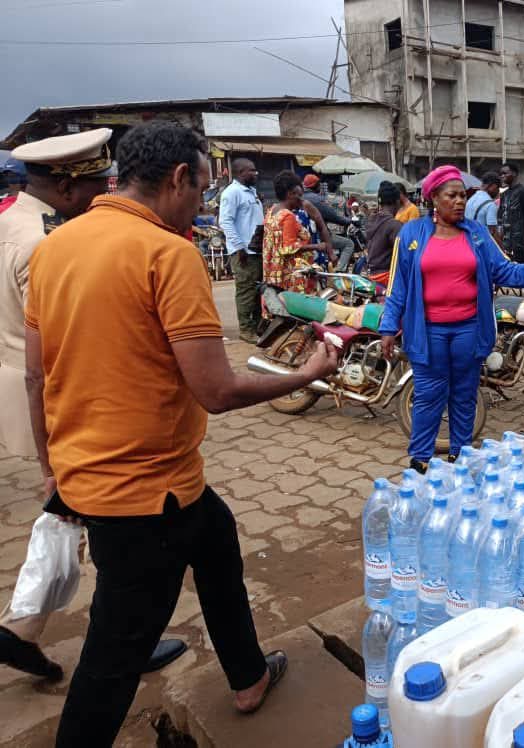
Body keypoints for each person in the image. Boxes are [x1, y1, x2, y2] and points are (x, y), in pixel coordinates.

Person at [24, 122, 340, 746]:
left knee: (217, 543)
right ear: (177, 179)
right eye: (199, 189)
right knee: (114, 654)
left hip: (113, 476)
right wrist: (305, 375)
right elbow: (216, 391)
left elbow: (36, 376)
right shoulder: (168, 254)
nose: (201, 205)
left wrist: (51, 468)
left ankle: (248, 677)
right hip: (146, 496)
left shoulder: (56, 247)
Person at [0, 128, 187, 682]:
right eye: (94, 188)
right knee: (109, 526)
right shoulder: (48, 243)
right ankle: (121, 643)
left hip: (29, 384)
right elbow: (71, 340)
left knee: (71, 516)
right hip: (66, 400)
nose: (102, 199)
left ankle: (24, 625)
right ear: (65, 187)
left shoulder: (9, 221)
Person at [379, 165, 524, 471]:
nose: (460, 201)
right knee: (427, 396)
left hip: (469, 329)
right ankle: (421, 460)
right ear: (434, 198)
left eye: (463, 195)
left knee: (464, 396)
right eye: (452, 196)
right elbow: (398, 285)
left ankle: (460, 458)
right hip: (427, 332)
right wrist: (388, 327)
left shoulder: (476, 233)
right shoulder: (411, 233)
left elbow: (502, 269)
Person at [219, 158, 265, 343]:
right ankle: (246, 330)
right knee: (246, 291)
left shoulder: (251, 192)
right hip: (244, 252)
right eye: (251, 170)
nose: (255, 174)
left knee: (258, 291)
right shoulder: (232, 193)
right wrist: (239, 247)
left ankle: (258, 327)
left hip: (256, 250)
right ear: (240, 173)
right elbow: (225, 221)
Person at [263, 170, 329, 295]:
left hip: (273, 273)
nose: (301, 200)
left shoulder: (271, 211)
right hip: (289, 274)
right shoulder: (288, 216)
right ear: (290, 194)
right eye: (299, 196)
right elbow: (288, 248)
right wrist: (317, 246)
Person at [302, 173, 356, 272]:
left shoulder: (300, 198)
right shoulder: (320, 199)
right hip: (323, 234)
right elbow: (334, 216)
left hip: (304, 236)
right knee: (349, 244)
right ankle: (338, 270)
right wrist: (349, 221)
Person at [365, 181, 403, 285]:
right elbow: (404, 255)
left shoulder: (371, 220)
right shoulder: (394, 225)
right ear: (397, 202)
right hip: (387, 278)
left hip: (371, 275)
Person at [498, 162, 524, 263]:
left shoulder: (523, 192)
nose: (502, 176)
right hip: (506, 244)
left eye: (505, 173)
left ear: (514, 174)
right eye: (501, 174)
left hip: (520, 244)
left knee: (521, 268)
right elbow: (501, 219)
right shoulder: (504, 195)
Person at [464, 171, 501, 243]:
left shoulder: (470, 200)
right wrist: (502, 248)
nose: (498, 191)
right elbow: (492, 232)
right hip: (482, 243)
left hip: (469, 241)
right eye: (498, 188)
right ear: (493, 186)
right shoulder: (490, 204)